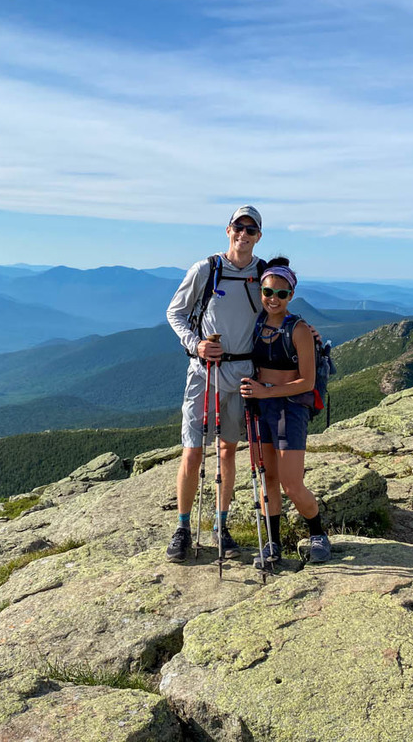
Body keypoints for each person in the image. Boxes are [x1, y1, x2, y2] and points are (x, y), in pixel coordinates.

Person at [164, 205, 266, 562]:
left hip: (243, 376)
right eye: (239, 227)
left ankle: (220, 528)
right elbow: (175, 312)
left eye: (251, 230)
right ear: (228, 230)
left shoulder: (264, 274)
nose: (244, 234)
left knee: (227, 451)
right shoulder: (207, 270)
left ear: (258, 237)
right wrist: (196, 344)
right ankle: (182, 529)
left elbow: (279, 312)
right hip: (204, 372)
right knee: (192, 452)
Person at [240, 259, 331, 565]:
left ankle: (318, 533)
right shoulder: (255, 323)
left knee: (291, 483)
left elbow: (307, 380)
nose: (273, 298)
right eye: (268, 291)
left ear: (291, 294)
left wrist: (267, 391)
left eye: (281, 293)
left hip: (290, 409)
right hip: (259, 407)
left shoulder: (300, 329)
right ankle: (273, 543)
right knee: (269, 480)